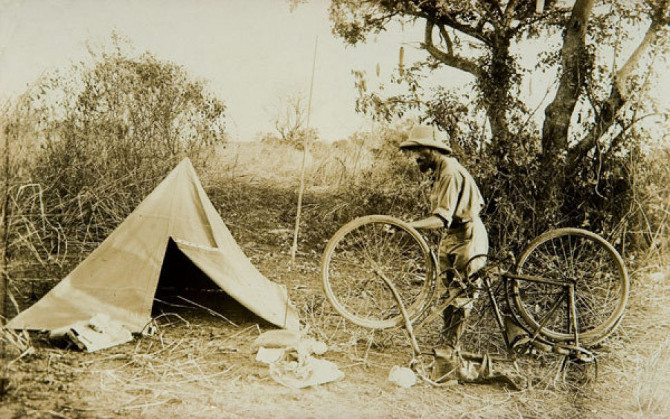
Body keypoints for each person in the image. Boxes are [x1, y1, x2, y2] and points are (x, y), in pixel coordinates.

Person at [399, 124, 489, 351]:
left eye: (419, 152)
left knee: (461, 294)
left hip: (468, 236)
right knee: (447, 294)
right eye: (413, 152)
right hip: (453, 235)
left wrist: (407, 226)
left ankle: (450, 349)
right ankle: (446, 343)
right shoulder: (439, 172)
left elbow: (440, 218)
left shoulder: (449, 172)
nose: (415, 158)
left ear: (432, 150)